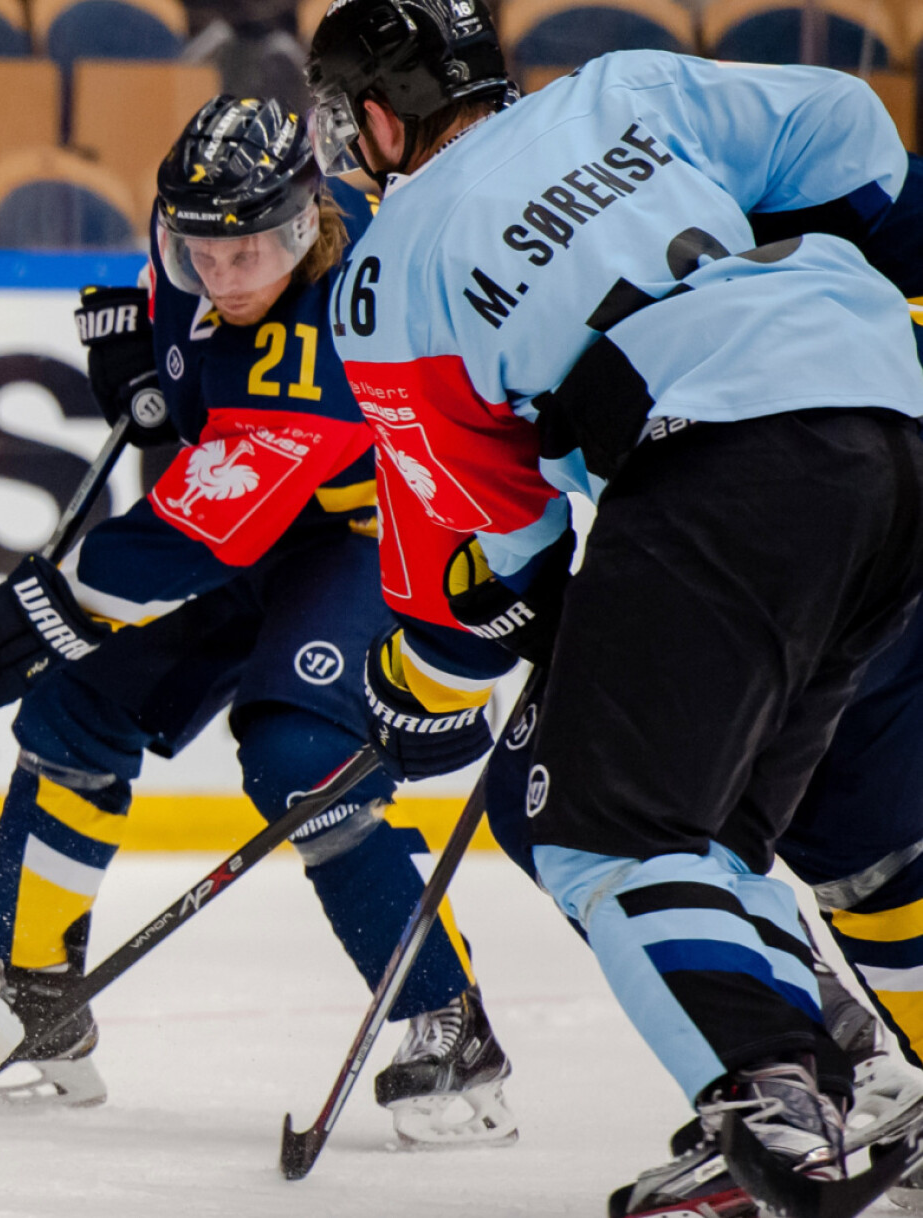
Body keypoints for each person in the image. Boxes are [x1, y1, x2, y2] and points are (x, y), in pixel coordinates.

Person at [304, 3, 923, 1209]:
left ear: (379, 117)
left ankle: (770, 1105)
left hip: (729, 472)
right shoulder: (614, 90)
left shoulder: (384, 274)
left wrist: (415, 687)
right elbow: (844, 123)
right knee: (731, 831)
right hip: (886, 424)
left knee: (595, 826)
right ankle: (814, 1087)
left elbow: (501, 550)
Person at [0, 96, 515, 1145]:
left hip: (370, 533)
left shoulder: (351, 307)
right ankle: (34, 1002)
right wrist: (152, 384)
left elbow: (198, 532)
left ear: (305, 224)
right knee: (74, 710)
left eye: (255, 249)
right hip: (248, 521)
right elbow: (201, 403)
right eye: (202, 249)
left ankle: (444, 1020)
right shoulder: (195, 252)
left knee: (296, 756)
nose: (227, 275)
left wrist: (49, 603)